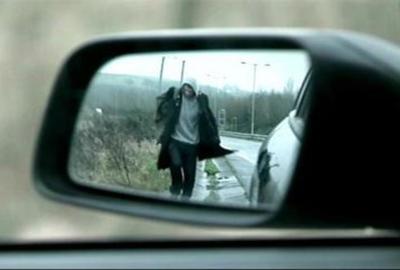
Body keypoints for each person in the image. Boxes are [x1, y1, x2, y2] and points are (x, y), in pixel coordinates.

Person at [155, 78, 233, 198]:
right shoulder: (176, 98)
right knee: (175, 164)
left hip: (192, 144)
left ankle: (186, 199)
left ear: (195, 89)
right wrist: (162, 132)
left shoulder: (200, 101)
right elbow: (163, 107)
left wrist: (213, 137)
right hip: (175, 140)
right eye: (186, 86)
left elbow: (209, 119)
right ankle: (175, 188)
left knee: (190, 175)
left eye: (190, 87)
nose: (187, 89)